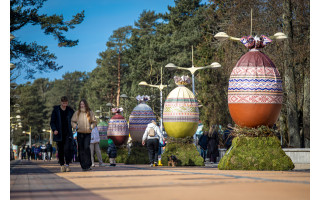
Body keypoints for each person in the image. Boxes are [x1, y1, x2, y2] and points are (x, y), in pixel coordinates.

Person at [50, 96, 75, 172]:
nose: (65, 104)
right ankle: (62, 165)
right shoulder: (56, 110)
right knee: (60, 150)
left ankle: (67, 164)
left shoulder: (70, 110)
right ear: (61, 102)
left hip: (68, 133)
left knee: (68, 149)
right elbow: (52, 121)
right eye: (63, 103)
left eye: (66, 103)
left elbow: (74, 119)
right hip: (59, 133)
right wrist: (54, 129)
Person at [71, 99, 97, 171]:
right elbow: (72, 121)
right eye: (81, 104)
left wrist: (91, 127)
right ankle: (83, 165)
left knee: (86, 148)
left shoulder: (90, 113)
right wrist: (75, 126)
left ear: (86, 105)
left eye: (83, 104)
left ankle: (88, 164)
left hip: (87, 133)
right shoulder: (77, 113)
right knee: (81, 149)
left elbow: (94, 122)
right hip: (80, 133)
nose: (82, 105)